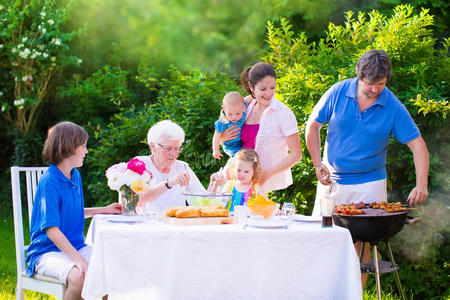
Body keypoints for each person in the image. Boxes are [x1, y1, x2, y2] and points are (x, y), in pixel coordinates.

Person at [305, 49, 429, 286]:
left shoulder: (391, 105)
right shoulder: (338, 91)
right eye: (370, 84)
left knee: (361, 247)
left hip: (370, 184)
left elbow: (418, 146)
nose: (375, 90)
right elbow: (313, 126)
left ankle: (355, 294)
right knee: (322, 241)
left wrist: (421, 184)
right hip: (333, 183)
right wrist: (317, 164)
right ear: (359, 76)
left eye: (380, 84)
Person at [25, 121, 122, 300]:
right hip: (46, 251)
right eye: (83, 146)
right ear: (68, 148)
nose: (86, 151)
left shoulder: (74, 175)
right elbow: (52, 230)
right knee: (79, 276)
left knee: (112, 267)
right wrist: (78, 259)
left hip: (74, 246)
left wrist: (104, 210)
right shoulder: (50, 182)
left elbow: (73, 212)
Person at [216, 62, 302, 193]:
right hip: (237, 176)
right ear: (251, 86)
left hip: (264, 184)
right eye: (263, 89)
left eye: (272, 88)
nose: (269, 93)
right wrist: (222, 137)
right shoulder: (246, 106)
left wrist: (267, 174)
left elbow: (296, 155)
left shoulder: (283, 113)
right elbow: (226, 112)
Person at [137, 120, 218, 212]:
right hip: (146, 224)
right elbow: (135, 201)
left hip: (176, 224)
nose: (174, 154)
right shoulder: (139, 164)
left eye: (177, 148)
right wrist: (169, 183)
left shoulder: (182, 167)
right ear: (152, 146)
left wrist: (213, 184)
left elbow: (203, 204)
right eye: (168, 148)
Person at [212, 91, 247, 159]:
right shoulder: (223, 122)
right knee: (240, 157)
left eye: (237, 114)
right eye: (230, 114)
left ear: (243, 107)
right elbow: (216, 136)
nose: (234, 117)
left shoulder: (241, 107)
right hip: (231, 146)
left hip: (242, 141)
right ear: (223, 108)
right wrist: (215, 150)